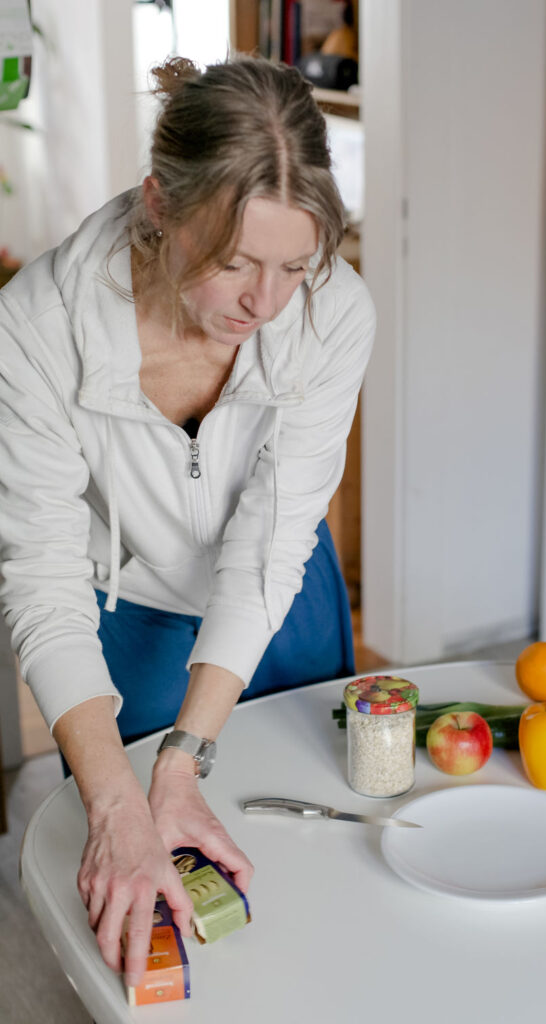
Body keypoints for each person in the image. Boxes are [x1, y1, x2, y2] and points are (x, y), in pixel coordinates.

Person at [0, 55, 375, 989]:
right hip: (126, 612)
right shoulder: (34, 328)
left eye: (295, 264)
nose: (266, 301)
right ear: (159, 203)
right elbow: (38, 572)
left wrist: (185, 760)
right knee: (149, 875)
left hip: (283, 602)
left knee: (317, 853)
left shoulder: (334, 314)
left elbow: (271, 542)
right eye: (235, 260)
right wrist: (126, 798)